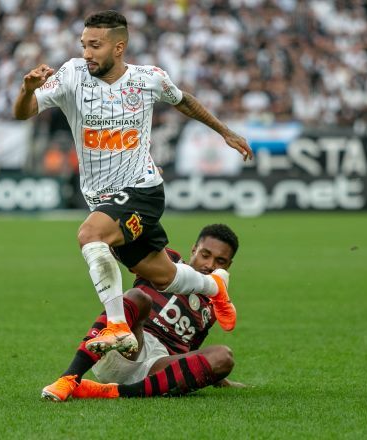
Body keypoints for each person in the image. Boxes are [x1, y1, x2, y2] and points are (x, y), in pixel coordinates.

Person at [14, 10, 253, 355]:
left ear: (119, 47)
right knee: (162, 275)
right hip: (103, 199)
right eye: (84, 45)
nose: (87, 53)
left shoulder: (148, 79)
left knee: (90, 235)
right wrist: (26, 89)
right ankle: (214, 286)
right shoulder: (70, 75)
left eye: (95, 45)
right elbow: (23, 112)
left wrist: (226, 132)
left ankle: (117, 327)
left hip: (143, 190)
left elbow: (184, 100)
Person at [42, 223, 245, 401]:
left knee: (224, 356)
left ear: (229, 265)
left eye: (220, 261)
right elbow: (117, 248)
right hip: (127, 345)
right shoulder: (167, 261)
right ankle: (69, 378)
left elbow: (192, 351)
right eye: (205, 254)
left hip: (158, 368)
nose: (209, 265)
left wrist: (215, 372)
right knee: (138, 297)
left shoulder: (215, 305)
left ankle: (113, 392)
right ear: (194, 249)